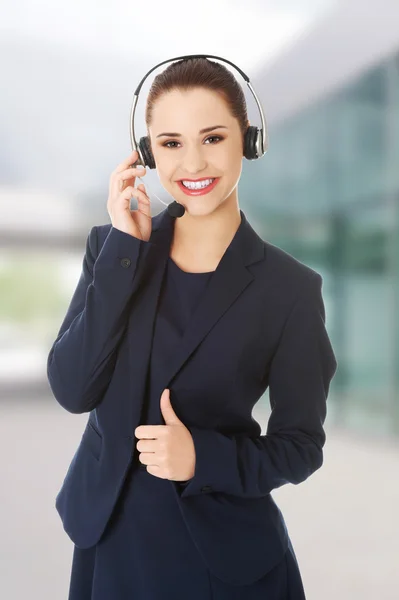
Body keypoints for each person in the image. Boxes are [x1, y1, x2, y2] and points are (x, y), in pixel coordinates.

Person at [47, 57, 338, 599]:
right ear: (146, 154)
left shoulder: (289, 289)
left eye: (212, 137)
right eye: (172, 143)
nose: (193, 162)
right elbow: (73, 388)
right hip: (108, 542)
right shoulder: (110, 251)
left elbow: (300, 446)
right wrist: (124, 249)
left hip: (222, 560)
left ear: (248, 142)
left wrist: (202, 457)